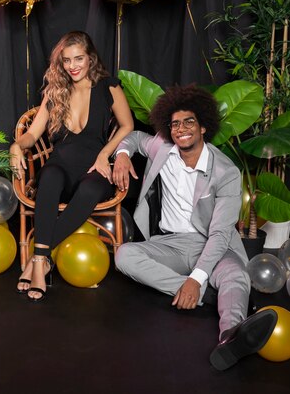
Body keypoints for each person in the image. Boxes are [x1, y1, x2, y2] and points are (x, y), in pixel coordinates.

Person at [112, 84, 278, 370]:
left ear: (203, 127)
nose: (181, 129)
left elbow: (219, 233)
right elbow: (136, 137)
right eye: (175, 124)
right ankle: (208, 296)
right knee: (124, 255)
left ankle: (231, 335)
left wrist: (197, 276)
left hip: (212, 244)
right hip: (171, 244)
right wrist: (122, 155)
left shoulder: (225, 171)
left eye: (189, 122)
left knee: (236, 274)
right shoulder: (163, 149)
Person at [10, 31, 133, 302]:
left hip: (93, 170)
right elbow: (33, 134)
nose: (73, 66)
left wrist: (105, 154)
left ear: (90, 58)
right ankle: (43, 261)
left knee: (89, 192)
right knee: (50, 177)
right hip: (61, 168)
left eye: (78, 58)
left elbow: (127, 125)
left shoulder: (108, 86)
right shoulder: (56, 92)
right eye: (67, 60)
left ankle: (37, 260)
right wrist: (16, 146)